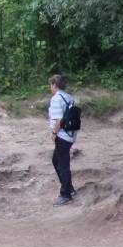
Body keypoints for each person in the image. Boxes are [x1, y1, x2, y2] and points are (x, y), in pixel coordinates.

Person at [48, 74, 78, 206]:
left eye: (51, 85)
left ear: (54, 85)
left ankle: (66, 194)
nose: (50, 87)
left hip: (62, 135)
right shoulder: (68, 97)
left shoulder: (56, 99)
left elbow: (58, 119)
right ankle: (68, 188)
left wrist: (54, 133)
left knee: (62, 164)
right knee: (57, 160)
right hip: (70, 134)